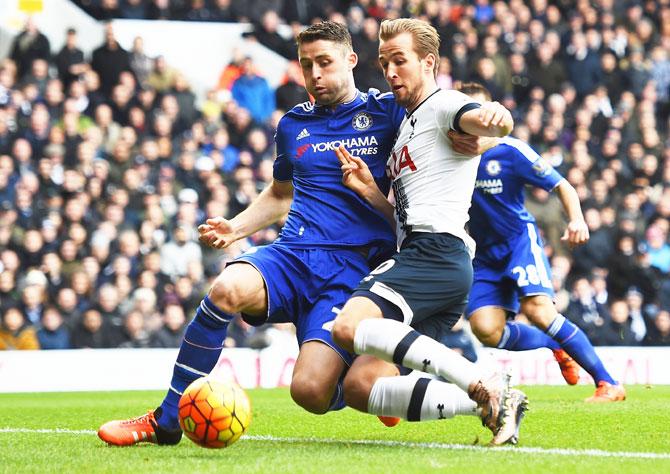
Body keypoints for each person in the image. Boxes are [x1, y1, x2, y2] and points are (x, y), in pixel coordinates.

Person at [98, 21, 405, 447]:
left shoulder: (388, 113)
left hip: (350, 271)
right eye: (306, 64)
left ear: (352, 61)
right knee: (226, 287)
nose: (315, 74)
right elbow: (280, 194)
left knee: (310, 392)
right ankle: (166, 421)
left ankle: (381, 383)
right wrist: (236, 226)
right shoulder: (293, 125)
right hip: (293, 254)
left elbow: (438, 118)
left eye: (325, 63)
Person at [331, 19, 527, 446]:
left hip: (434, 253)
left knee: (347, 326)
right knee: (362, 387)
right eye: (384, 63)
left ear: (429, 62)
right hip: (431, 258)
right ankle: (492, 403)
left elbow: (488, 122)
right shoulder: (407, 126)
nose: (390, 72)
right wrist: (371, 190)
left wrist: (500, 121)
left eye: (399, 61)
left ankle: (482, 379)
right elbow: (406, 214)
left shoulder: (443, 105)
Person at [448, 82, 625, 402]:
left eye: (478, 111)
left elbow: (563, 185)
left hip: (518, 241)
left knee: (540, 310)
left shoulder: (511, 151)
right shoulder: (450, 155)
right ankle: (553, 344)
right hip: (482, 255)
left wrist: (577, 219)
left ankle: (607, 382)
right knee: (487, 330)